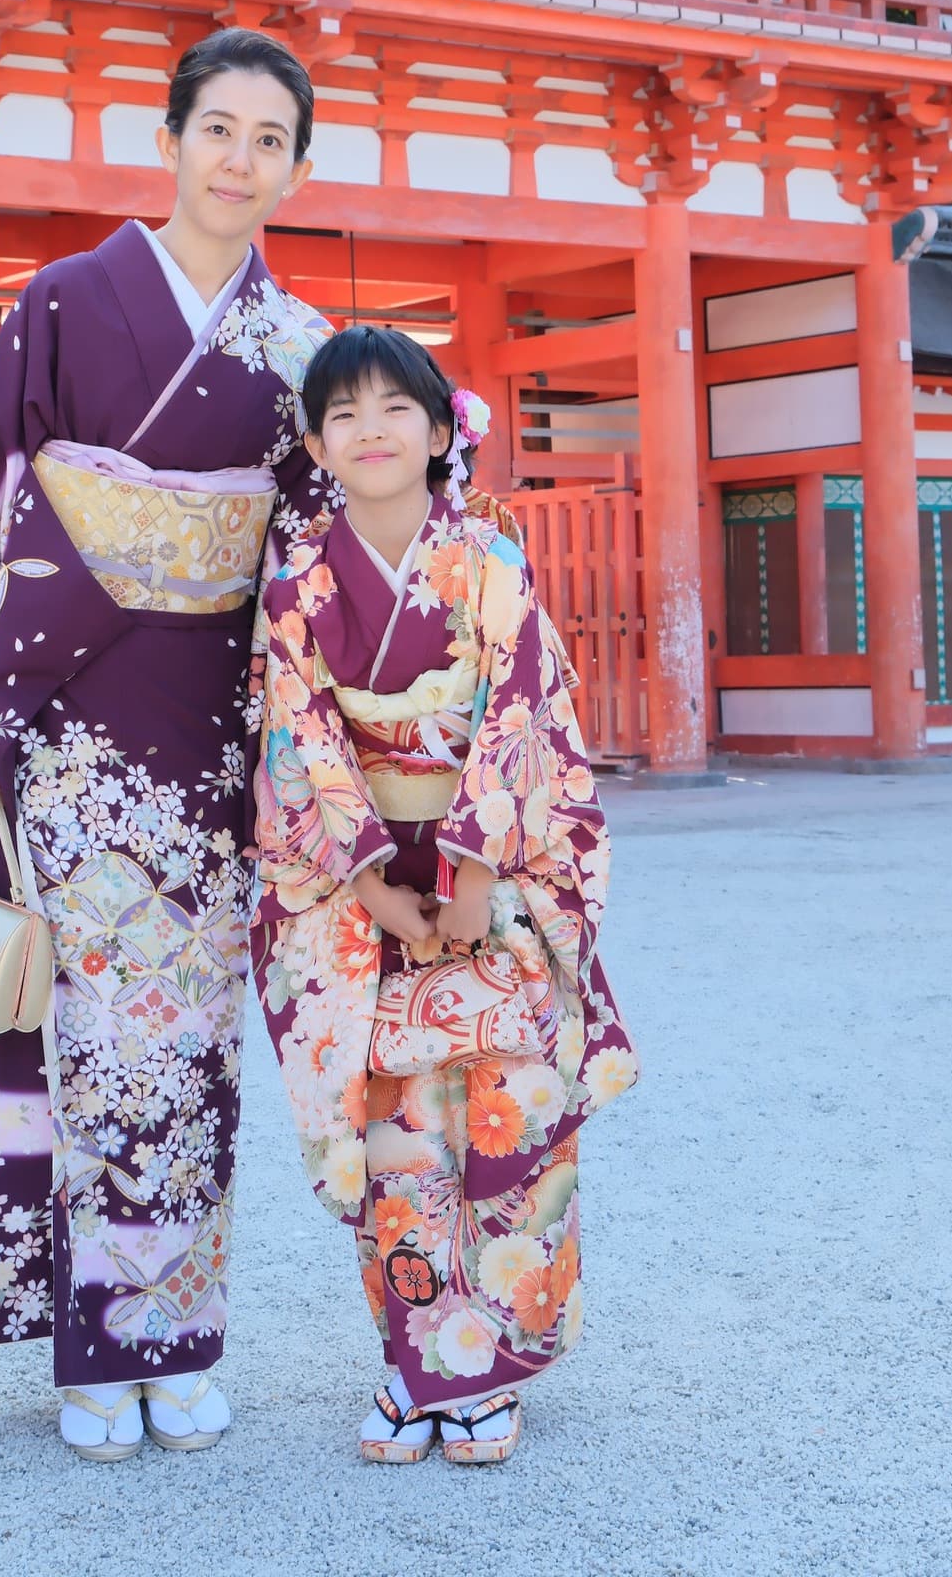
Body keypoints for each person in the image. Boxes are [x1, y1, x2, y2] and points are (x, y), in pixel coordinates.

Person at [0, 28, 332, 1459]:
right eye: (219, 130)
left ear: (294, 168)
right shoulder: (66, 301)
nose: (240, 160)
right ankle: (84, 1351)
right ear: (171, 138)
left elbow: (312, 550)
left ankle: (174, 1337)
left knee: (183, 1047)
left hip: (201, 733)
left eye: (269, 140)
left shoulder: (300, 350)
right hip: (59, 717)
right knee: (72, 1029)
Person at [251, 326, 637, 1465]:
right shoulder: (296, 585)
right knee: (400, 1139)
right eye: (343, 413)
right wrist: (371, 879)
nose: (370, 429)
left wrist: (470, 870)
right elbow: (302, 739)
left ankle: (497, 1364)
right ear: (317, 444)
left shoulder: (490, 562)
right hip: (360, 889)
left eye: (393, 408)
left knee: (504, 1118)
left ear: (438, 430)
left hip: (494, 872)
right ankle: (421, 1364)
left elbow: (523, 712)